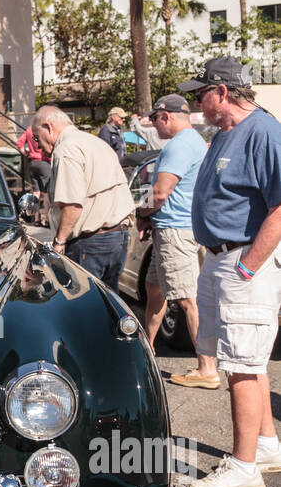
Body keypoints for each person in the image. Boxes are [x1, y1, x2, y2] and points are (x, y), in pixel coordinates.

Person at [173, 57, 281, 487]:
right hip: (225, 259)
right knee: (246, 360)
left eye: (202, 93)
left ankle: (243, 468)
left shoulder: (264, 131)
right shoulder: (226, 133)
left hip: (243, 260)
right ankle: (267, 445)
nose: (197, 102)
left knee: (240, 363)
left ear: (222, 92)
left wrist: (248, 264)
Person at [135, 95, 215, 376]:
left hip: (175, 230)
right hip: (176, 226)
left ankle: (207, 368)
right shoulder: (193, 141)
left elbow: (159, 193)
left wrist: (141, 214)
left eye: (154, 119)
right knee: (154, 289)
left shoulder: (179, 146)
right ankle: (147, 348)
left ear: (165, 116)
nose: (153, 125)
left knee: (187, 298)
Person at [33, 104, 133, 291]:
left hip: (90, 244)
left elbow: (72, 205)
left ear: (48, 127)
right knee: (108, 304)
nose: (37, 145)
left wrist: (59, 242)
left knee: (83, 307)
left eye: (37, 138)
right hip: (117, 237)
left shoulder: (66, 149)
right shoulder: (95, 142)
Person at [16, 124, 52, 197]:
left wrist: (26, 153)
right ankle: (47, 209)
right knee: (46, 192)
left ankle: (34, 208)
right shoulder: (43, 130)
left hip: (32, 163)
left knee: (36, 192)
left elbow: (19, 143)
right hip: (43, 162)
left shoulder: (29, 130)